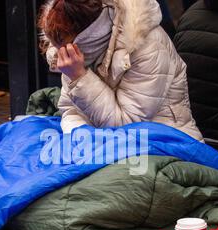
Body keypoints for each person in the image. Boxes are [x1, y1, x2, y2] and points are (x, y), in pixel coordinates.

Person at [38, 0, 204, 142]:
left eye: (65, 45)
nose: (61, 55)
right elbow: (70, 110)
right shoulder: (78, 52)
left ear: (90, 37)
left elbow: (128, 124)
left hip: (163, 141)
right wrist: (79, 141)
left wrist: (80, 77)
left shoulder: (148, 47)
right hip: (107, 143)